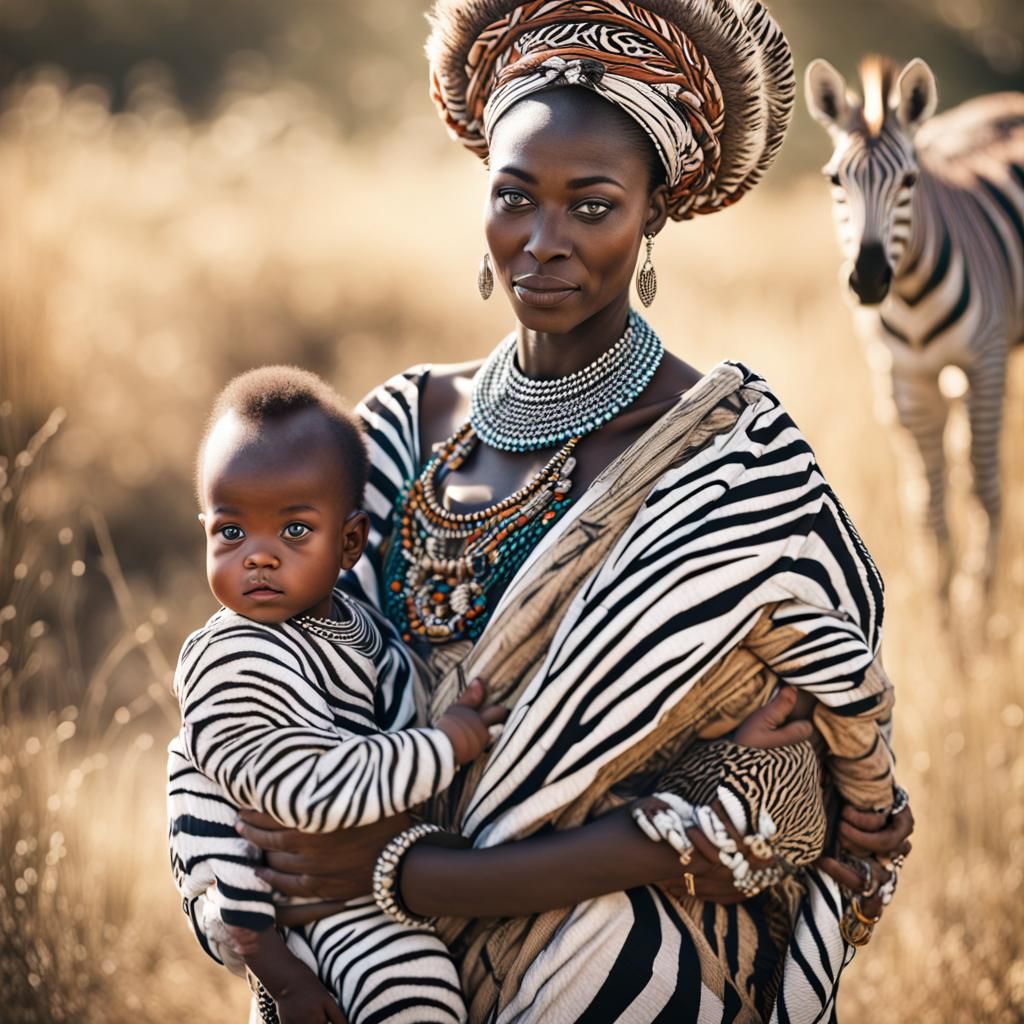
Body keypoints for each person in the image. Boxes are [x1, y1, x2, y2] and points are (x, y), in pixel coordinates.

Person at [175, 3, 915, 1021]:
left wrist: (413, 874)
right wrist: (278, 947)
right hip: (352, 974)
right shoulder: (392, 428)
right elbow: (253, 703)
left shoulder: (734, 461)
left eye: (592, 205)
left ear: (654, 213)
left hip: (617, 971)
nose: (542, 243)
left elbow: (790, 804)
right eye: (514, 198)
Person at [166, 365, 509, 1024]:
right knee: (415, 992)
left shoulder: (357, 629)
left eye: (293, 531)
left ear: (351, 542)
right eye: (231, 532)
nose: (258, 556)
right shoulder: (233, 657)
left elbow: (391, 716)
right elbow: (306, 793)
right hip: (288, 921)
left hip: (356, 886)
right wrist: (445, 746)